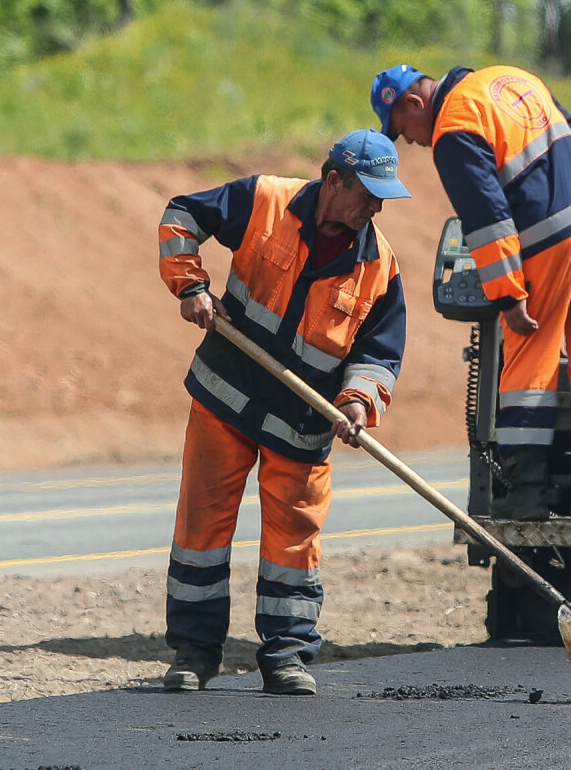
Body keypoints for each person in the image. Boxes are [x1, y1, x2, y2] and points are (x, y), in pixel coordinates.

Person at [156, 128, 411, 695]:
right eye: (367, 192)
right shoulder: (264, 201)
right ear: (333, 180)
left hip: (300, 427)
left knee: (294, 545)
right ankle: (194, 653)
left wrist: (356, 403)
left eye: (383, 197)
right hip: (224, 399)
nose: (375, 206)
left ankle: (287, 655)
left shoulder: (380, 268)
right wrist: (190, 286)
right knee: (201, 526)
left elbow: (379, 354)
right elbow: (180, 217)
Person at [369, 62, 571, 521]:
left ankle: (527, 493)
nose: (409, 140)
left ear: (413, 103)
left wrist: (508, 295)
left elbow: (486, 217)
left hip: (551, 233)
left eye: (403, 129)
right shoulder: (510, 76)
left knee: (531, 352)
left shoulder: (453, 126)